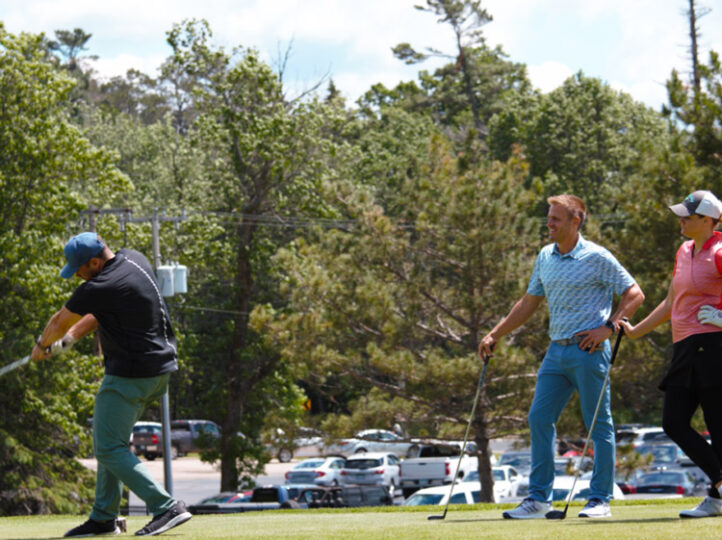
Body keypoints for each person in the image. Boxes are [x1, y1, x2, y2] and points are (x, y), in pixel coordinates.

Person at [479, 194, 644, 519]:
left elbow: (635, 293)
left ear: (575, 221)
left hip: (589, 350)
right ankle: (539, 500)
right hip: (556, 351)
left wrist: (609, 327)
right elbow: (529, 301)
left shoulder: (596, 257)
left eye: (555, 218)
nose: (549, 224)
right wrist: (494, 333)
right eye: (549, 217)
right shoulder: (545, 256)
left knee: (599, 425)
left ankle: (600, 500)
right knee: (539, 418)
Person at [31, 232, 192, 537]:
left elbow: (57, 322)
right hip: (158, 370)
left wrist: (42, 346)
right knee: (111, 440)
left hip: (131, 375)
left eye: (79, 268)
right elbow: (97, 312)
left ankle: (167, 506)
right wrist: (70, 339)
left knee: (106, 447)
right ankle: (104, 516)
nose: (76, 274)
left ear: (94, 262)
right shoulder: (133, 259)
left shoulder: (98, 285)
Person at [619, 190, 722, 519]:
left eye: (687, 216)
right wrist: (636, 331)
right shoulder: (684, 251)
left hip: (714, 346)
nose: (681, 220)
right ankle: (720, 485)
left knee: (718, 427)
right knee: (674, 422)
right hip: (685, 347)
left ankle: (717, 497)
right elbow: (670, 303)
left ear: (707, 220)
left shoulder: (720, 251)